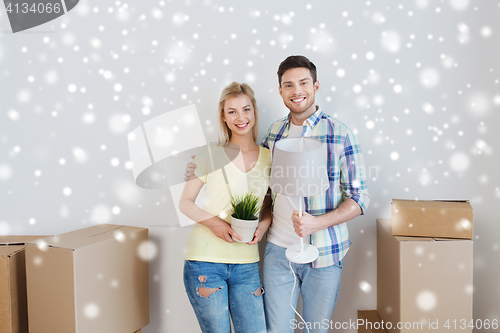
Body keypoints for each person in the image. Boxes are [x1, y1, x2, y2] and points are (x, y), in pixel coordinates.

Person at [185, 56, 370, 333]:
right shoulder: (273, 135)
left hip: (325, 254)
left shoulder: (340, 134)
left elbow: (360, 198)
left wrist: (317, 223)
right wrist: (199, 164)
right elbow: (263, 189)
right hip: (277, 254)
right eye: (289, 85)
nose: (297, 91)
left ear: (316, 86)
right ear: (280, 91)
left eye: (303, 83)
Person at [179, 82, 271, 333]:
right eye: (232, 111)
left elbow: (268, 204)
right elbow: (185, 203)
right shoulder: (209, 153)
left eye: (246, 109)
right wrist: (215, 223)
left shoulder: (269, 158)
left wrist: (264, 224)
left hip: (247, 263)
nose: (241, 118)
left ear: (254, 112)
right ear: (223, 116)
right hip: (205, 263)